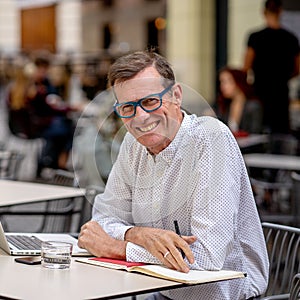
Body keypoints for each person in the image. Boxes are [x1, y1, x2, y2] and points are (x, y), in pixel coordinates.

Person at [78, 50, 269, 300]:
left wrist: (119, 248)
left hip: (221, 296)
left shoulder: (210, 139)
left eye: (149, 102)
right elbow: (102, 220)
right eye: (128, 107)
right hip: (162, 291)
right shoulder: (132, 145)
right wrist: (138, 234)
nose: (140, 117)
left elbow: (207, 257)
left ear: (176, 96)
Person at [243, 0, 300, 134]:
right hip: (281, 93)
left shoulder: (255, 37)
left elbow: (246, 67)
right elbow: (297, 69)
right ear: (280, 12)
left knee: (259, 131)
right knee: (281, 132)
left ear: (264, 12)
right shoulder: (291, 38)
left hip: (260, 91)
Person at [217, 67, 263, 136]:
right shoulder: (225, 106)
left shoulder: (253, 106)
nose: (222, 86)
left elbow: (255, 134)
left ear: (238, 82)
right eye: (221, 82)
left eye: (226, 82)